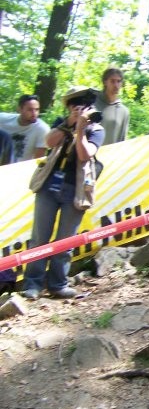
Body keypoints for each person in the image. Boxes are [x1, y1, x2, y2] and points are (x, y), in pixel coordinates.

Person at [21, 86, 105, 300]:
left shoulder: (96, 128)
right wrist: (69, 123)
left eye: (84, 106)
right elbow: (49, 142)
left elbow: (85, 154)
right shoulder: (62, 122)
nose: (81, 110)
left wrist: (80, 130)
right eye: (75, 106)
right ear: (69, 107)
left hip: (76, 190)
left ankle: (58, 284)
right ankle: (33, 285)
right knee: (40, 237)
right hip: (49, 186)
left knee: (65, 241)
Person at [0, 94, 49, 161]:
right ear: (19, 109)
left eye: (37, 109)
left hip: (22, 169)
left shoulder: (42, 129)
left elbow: (38, 161)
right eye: (30, 110)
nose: (34, 113)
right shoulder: (3, 119)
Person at [94, 67, 130, 145]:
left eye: (119, 81)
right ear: (105, 82)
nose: (116, 85)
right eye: (112, 81)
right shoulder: (93, 104)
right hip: (90, 154)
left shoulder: (124, 111)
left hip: (111, 155)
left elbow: (122, 139)